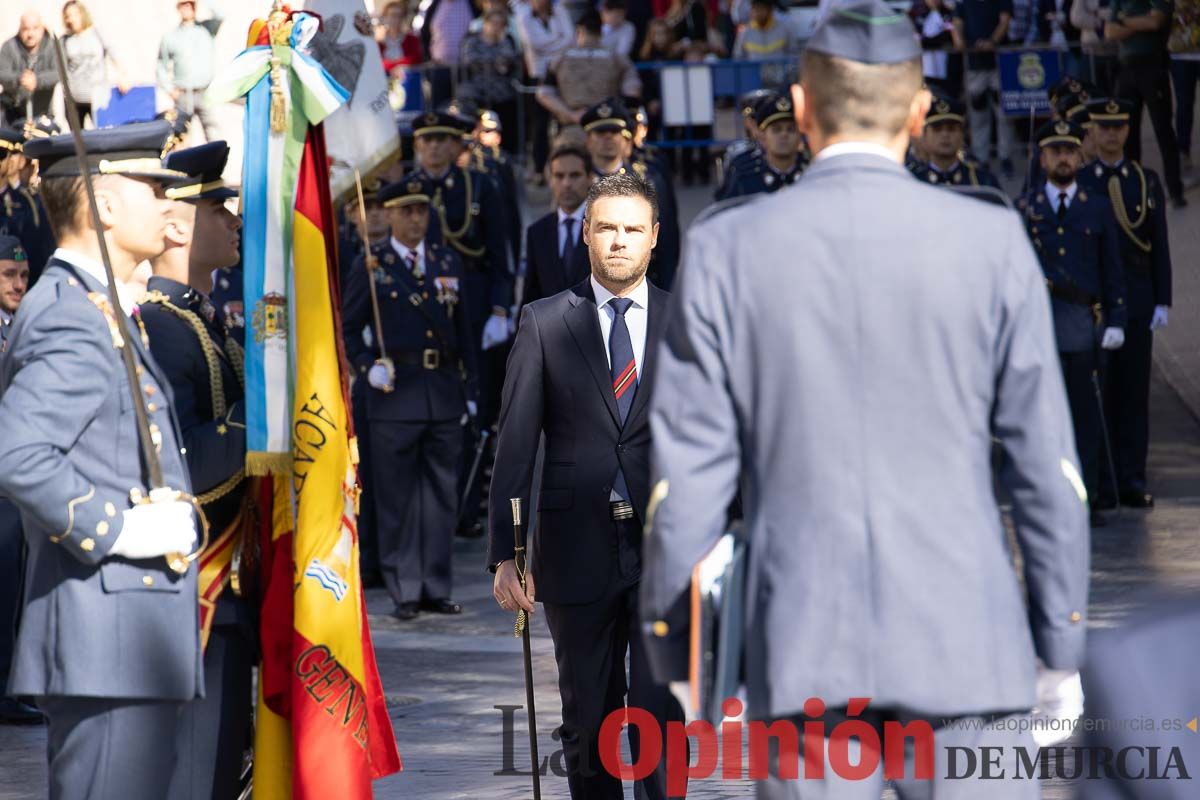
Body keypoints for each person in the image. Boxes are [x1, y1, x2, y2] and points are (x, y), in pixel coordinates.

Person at [641, 3, 1091, 796]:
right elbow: (1045, 465)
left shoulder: (724, 248)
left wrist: (680, 655)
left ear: (804, 110)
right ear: (920, 113)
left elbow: (688, 480)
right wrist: (1060, 644)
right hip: (967, 647)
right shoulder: (989, 241)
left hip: (802, 652)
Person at [0, 119, 201, 799]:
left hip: (124, 639)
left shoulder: (95, 305)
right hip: (107, 637)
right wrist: (117, 528)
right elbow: (18, 452)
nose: (170, 204)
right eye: (154, 188)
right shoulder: (70, 313)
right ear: (106, 205)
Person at [489, 172, 683, 800]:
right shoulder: (546, 322)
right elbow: (516, 442)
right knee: (589, 717)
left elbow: (716, 435)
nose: (619, 242)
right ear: (586, 235)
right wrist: (504, 553)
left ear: (654, 237)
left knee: (660, 717)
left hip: (665, 551)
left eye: (632, 229)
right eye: (607, 228)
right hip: (574, 546)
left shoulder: (688, 322)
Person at [133, 142, 252, 800]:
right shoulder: (157, 327)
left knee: (224, 767)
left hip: (237, 586)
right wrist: (260, 411)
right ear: (177, 224)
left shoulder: (212, 326)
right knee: (197, 776)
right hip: (196, 591)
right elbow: (177, 464)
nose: (232, 221)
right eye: (217, 208)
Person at [342, 175, 478, 620]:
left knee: (441, 495)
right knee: (397, 496)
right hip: (394, 392)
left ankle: (436, 584)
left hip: (441, 391)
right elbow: (346, 328)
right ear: (389, 214)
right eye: (406, 211)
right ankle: (405, 588)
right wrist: (366, 364)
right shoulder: (372, 263)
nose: (415, 219)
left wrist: (471, 389)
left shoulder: (445, 259)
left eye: (421, 210)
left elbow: (464, 332)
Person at [1018, 119, 1126, 526]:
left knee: (1085, 416)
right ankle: (1049, 498)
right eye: (1054, 151)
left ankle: (1088, 494)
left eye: (1068, 151)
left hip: (1082, 324)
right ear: (1042, 157)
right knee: (1042, 418)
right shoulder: (1026, 208)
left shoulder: (1095, 206)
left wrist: (1116, 316)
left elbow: (1111, 266)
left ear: (1079, 156)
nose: (1063, 158)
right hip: (1040, 327)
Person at [1078, 98, 1171, 511]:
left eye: (1118, 127)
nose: (1112, 134)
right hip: (1097, 303)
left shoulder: (1144, 180)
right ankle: (1102, 480)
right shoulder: (1082, 182)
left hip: (1136, 299)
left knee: (1134, 394)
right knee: (1100, 395)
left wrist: (1162, 298)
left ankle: (1132, 477)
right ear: (1093, 132)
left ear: (1127, 131)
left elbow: (1159, 246)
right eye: (1104, 127)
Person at [0, 234, 39, 726]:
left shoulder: (16, 327)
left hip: (14, 484)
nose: (18, 284)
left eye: (23, 276)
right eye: (8, 275)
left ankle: (10, 684)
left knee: (14, 589)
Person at [581, 100, 679, 288]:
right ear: (587, 140)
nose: (608, 138)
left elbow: (668, 240)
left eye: (615, 132)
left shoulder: (648, 180)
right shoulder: (576, 180)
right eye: (600, 133)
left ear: (626, 139)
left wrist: (667, 291)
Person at [1105, 0, 1187, 206]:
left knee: (1163, 129)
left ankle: (1175, 189)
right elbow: (1109, 32)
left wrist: (1125, 21)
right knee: (1128, 133)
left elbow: (1155, 23)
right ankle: (1134, 191)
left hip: (1153, 66)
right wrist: (1138, 23)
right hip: (1126, 70)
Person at [537, 9, 642, 128]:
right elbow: (633, 92)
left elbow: (544, 93)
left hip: (572, 129)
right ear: (601, 31)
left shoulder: (560, 59)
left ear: (578, 31)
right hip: (607, 128)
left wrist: (571, 114)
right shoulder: (618, 58)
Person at [523, 144, 593, 309]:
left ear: (590, 178)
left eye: (575, 175)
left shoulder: (604, 228)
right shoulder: (537, 232)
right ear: (550, 180)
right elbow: (531, 296)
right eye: (559, 176)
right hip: (551, 331)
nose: (567, 183)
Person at [953, 0, 1017, 177]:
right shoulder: (964, 3)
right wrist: (959, 41)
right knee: (978, 112)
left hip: (999, 64)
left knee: (1004, 114)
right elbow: (957, 23)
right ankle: (981, 159)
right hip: (975, 64)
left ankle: (1006, 157)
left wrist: (992, 41)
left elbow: (1005, 20)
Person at [513, 0, 575, 178]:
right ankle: (540, 168)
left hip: (562, 75)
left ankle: (566, 161)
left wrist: (553, 49)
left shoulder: (560, 11)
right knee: (539, 124)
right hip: (538, 75)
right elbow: (534, 43)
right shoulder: (524, 16)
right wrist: (559, 45)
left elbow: (570, 38)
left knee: (564, 118)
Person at [157, 0, 226, 142]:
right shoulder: (171, 36)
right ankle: (183, 164)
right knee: (182, 136)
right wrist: (170, 90)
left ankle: (217, 163)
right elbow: (160, 66)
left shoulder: (207, 29)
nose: (187, 7)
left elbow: (221, 14)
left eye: (190, 4)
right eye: (184, 4)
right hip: (183, 94)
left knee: (213, 133)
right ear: (178, 8)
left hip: (205, 91)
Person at [721, 91, 806, 197]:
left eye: (791, 129)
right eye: (776, 130)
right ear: (763, 135)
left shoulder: (812, 173)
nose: (784, 135)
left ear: (800, 135)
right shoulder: (744, 176)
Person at [458, 9, 522, 148]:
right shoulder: (472, 39)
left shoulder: (506, 40)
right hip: (476, 91)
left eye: (501, 24)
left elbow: (509, 61)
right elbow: (470, 60)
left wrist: (502, 41)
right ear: (485, 23)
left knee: (509, 116)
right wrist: (495, 62)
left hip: (501, 93)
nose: (496, 27)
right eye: (493, 23)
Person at [61, 1, 131, 125]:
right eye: (67, 16)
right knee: (78, 140)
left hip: (98, 96)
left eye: (74, 14)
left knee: (103, 135)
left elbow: (113, 54)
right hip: (74, 98)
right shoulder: (65, 40)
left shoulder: (97, 33)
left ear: (82, 14)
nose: (71, 19)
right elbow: (62, 68)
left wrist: (122, 76)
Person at [914, 93, 1000, 187]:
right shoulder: (913, 182)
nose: (945, 135)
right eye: (937, 129)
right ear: (925, 135)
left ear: (962, 135)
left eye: (951, 129)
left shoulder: (982, 181)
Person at [0, 12, 58, 123]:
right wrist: (20, 78)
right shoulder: (9, 46)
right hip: (12, 111)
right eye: (25, 29)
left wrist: (37, 80)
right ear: (20, 30)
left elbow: (59, 73)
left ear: (42, 29)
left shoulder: (53, 47)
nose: (30, 34)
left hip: (43, 113)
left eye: (35, 28)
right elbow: (2, 73)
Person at [378, 0, 425, 71]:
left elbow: (416, 59)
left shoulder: (412, 40)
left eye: (400, 16)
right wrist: (397, 66)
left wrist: (392, 66)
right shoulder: (379, 43)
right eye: (393, 15)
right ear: (385, 17)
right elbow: (377, 63)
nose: (397, 19)